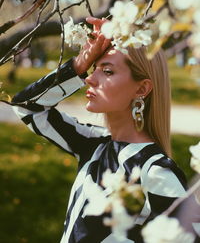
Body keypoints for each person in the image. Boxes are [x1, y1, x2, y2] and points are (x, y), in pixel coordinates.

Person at [11, 17, 195, 243]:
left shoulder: (156, 173)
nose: (90, 79)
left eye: (107, 71)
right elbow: (27, 107)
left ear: (142, 88)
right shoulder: (93, 144)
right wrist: (78, 64)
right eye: (93, 68)